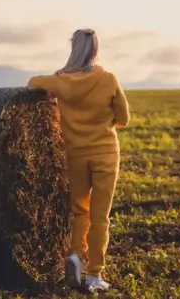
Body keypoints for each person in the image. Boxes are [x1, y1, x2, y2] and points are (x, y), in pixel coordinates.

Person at [27, 28, 130, 292]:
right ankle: (95, 275)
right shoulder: (108, 79)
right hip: (106, 153)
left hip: (76, 155)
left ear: (74, 48)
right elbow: (124, 119)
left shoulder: (60, 81)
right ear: (95, 50)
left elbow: (32, 83)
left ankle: (75, 255)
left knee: (80, 212)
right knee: (100, 216)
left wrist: (57, 87)